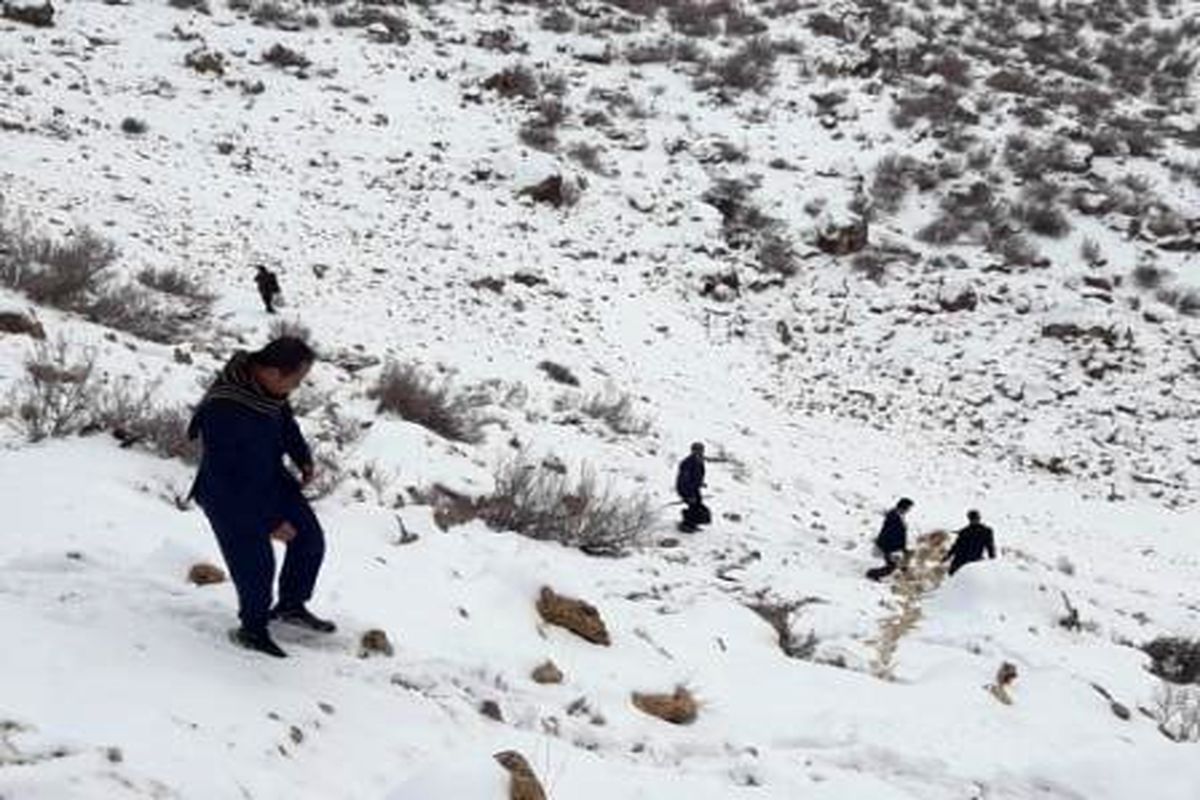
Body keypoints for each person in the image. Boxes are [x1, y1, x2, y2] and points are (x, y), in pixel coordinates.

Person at [187, 337, 334, 658]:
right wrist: (269, 521)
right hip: (228, 494)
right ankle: (251, 630)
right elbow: (230, 474)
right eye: (294, 380)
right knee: (256, 567)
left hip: (269, 478)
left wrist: (303, 457)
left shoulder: (267, 392)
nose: (296, 387)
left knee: (309, 541)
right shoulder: (224, 408)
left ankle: (291, 606)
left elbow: (285, 422)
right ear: (270, 371)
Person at [867, 497, 913, 581]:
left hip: (893, 545)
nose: (909, 510)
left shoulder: (897, 515)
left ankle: (907, 577)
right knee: (892, 566)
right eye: (908, 508)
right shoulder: (893, 516)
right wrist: (895, 548)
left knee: (901, 562)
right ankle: (872, 574)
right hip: (888, 545)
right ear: (904, 507)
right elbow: (890, 533)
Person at [943, 509, 996, 576]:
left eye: (975, 518)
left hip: (972, 561)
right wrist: (948, 556)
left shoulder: (985, 531)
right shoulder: (965, 532)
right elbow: (956, 546)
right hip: (961, 560)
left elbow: (990, 547)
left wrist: (993, 561)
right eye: (972, 518)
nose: (974, 520)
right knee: (952, 575)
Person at [675, 442, 711, 533]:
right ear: (693, 451)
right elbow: (684, 479)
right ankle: (686, 525)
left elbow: (696, 475)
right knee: (694, 505)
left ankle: (692, 524)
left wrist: (700, 483)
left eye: (701, 450)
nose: (700, 452)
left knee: (697, 504)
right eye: (698, 450)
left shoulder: (698, 461)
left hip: (693, 487)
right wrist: (689, 493)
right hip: (686, 488)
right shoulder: (688, 462)